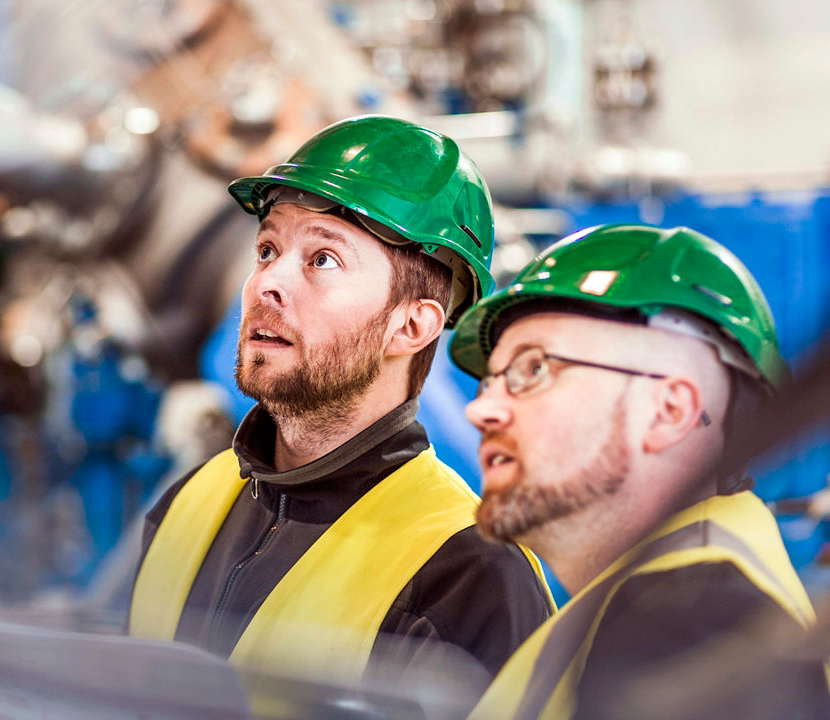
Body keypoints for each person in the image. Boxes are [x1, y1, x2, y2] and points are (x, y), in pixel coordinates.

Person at [127, 115, 554, 705]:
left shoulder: (470, 573)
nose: (265, 284)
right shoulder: (187, 503)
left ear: (410, 325)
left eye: (322, 260)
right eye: (268, 249)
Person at [450, 223, 829, 720]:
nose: (481, 412)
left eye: (535, 369)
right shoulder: (656, 600)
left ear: (669, 411)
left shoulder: (693, 625)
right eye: (488, 383)